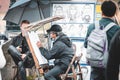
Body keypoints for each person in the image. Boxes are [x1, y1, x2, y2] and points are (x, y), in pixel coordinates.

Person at [84, 1, 120, 80]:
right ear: (114, 13)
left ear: (102, 12)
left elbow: (86, 45)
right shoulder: (117, 29)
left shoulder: (92, 26)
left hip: (95, 64)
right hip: (111, 67)